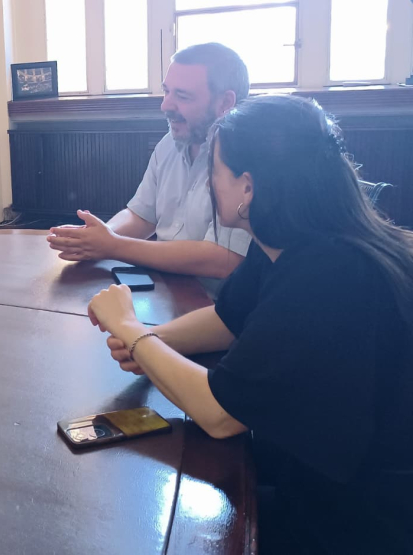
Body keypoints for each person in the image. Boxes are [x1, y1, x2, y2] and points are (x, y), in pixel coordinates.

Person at [87, 95, 413, 554]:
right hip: (318, 464)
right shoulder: (289, 238)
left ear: (248, 186)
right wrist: (154, 340)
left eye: (214, 172)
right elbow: (229, 319)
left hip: (359, 514)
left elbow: (222, 415)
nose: (208, 183)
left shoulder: (331, 273)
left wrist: (134, 331)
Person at [48, 43, 252, 297]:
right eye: (167, 92)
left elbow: (221, 259)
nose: (165, 105)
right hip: (164, 289)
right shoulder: (169, 143)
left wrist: (112, 246)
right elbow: (142, 216)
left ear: (225, 102)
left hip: (215, 308)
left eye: (182, 96)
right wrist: (94, 239)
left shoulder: (248, 159)